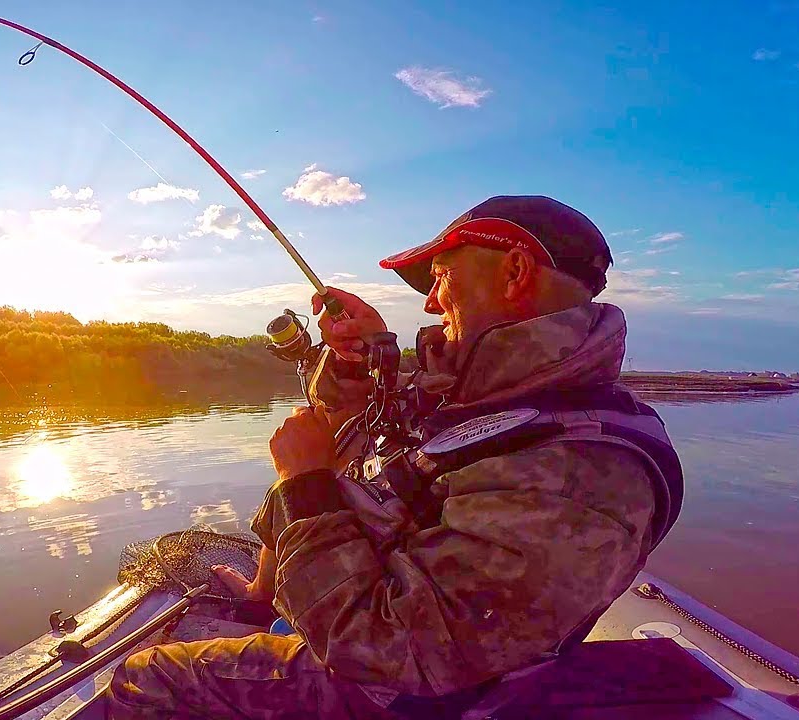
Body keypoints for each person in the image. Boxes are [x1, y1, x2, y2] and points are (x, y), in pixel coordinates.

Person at [105, 195, 683, 719]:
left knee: (140, 680)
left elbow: (391, 653)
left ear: (514, 271)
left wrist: (304, 486)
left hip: (396, 697)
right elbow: (360, 418)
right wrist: (359, 355)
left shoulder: (584, 470)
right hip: (376, 637)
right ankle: (263, 600)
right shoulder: (492, 399)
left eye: (440, 278)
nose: (431, 304)